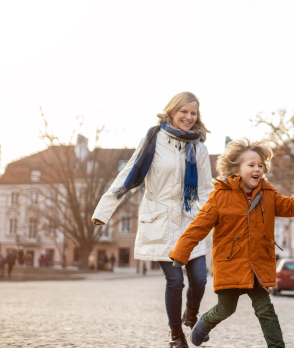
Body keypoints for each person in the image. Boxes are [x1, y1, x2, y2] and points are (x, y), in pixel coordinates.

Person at [169, 138, 294, 348]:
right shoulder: (220, 196)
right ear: (236, 169)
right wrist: (179, 254)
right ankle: (205, 322)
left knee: (265, 309)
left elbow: (292, 207)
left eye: (260, 165)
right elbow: (198, 227)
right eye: (251, 165)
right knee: (226, 308)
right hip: (231, 263)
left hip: (258, 264)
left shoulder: (268, 194)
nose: (257, 169)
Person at [93, 91, 214, 348]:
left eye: (193, 113)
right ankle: (175, 335)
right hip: (159, 221)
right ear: (171, 111)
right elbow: (128, 175)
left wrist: (213, 220)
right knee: (175, 281)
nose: (189, 117)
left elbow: (205, 190)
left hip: (190, 221)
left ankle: (191, 313)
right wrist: (103, 211)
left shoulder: (199, 147)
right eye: (184, 112)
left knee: (200, 279)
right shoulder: (153, 140)